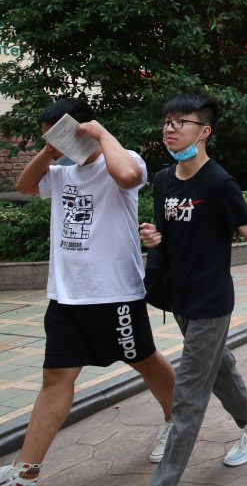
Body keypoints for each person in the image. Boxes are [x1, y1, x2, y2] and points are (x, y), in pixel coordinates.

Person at [1, 100, 176, 486]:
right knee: (55, 376)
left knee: (144, 359)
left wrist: (99, 133)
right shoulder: (61, 173)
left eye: (58, 135)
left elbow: (128, 176)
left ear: (82, 130)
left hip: (114, 293)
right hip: (67, 296)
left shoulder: (122, 159)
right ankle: (26, 469)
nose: (55, 145)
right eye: (48, 138)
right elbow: (24, 186)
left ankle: (176, 421)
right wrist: (49, 152)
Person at [138, 94, 247, 486]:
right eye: (166, 122)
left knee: (187, 394)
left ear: (203, 131)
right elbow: (168, 234)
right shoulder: (164, 180)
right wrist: (154, 238)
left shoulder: (219, 183)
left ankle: (164, 480)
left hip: (211, 301)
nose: (169, 129)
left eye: (179, 123)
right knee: (220, 369)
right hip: (179, 297)